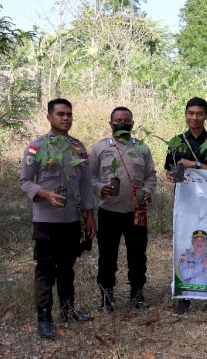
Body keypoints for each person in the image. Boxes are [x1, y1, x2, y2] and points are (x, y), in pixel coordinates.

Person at [20, 98, 96, 340]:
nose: (66, 118)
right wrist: (43, 193)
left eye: (69, 114)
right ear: (49, 117)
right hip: (45, 220)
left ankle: (67, 310)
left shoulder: (78, 148)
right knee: (45, 269)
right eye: (61, 114)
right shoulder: (37, 147)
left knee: (67, 267)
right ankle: (44, 317)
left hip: (72, 219)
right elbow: (25, 181)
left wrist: (90, 215)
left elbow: (85, 183)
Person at [165, 97, 207, 315]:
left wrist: (197, 165)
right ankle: (184, 297)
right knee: (186, 246)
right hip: (185, 205)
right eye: (190, 113)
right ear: (185, 114)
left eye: (199, 113)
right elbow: (170, 171)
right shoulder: (176, 142)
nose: (194, 117)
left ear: (206, 115)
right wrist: (171, 176)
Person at [89, 106, 157, 311]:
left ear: (132, 124)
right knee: (107, 256)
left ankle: (137, 294)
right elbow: (89, 178)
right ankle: (106, 296)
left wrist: (147, 190)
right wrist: (100, 188)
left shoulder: (142, 148)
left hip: (136, 212)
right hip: (109, 212)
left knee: (137, 255)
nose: (122, 123)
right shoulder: (100, 148)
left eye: (126, 120)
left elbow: (151, 176)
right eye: (118, 120)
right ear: (110, 124)